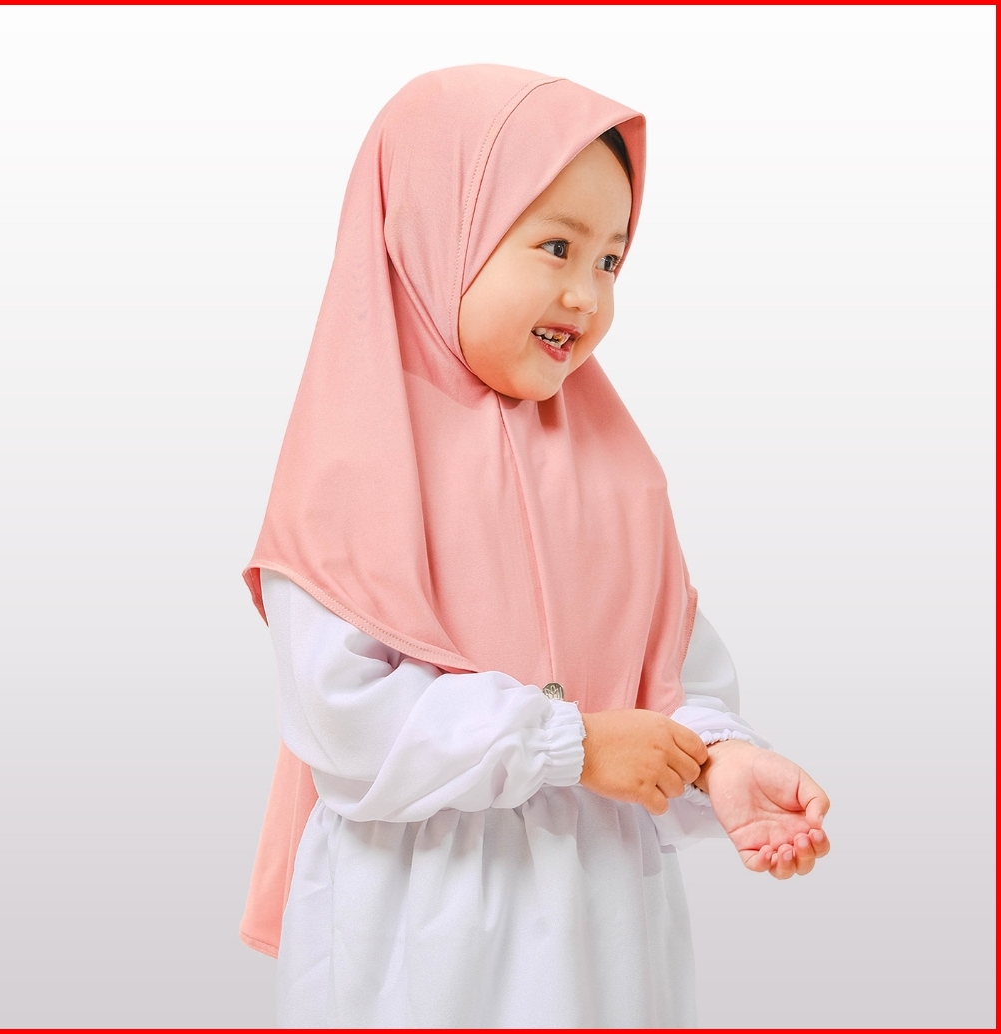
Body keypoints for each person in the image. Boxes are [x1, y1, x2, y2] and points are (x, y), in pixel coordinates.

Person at [239, 64, 830, 1028]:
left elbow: (672, 677)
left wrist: (716, 760)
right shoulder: (354, 463)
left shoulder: (617, 471)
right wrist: (570, 744)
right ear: (438, 232)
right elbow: (344, 722)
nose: (586, 295)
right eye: (557, 247)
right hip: (420, 933)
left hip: (604, 933)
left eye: (611, 262)